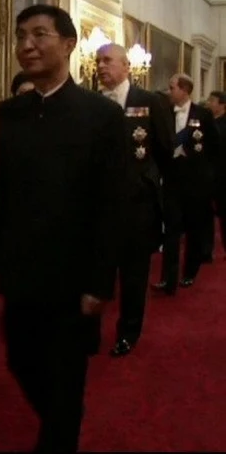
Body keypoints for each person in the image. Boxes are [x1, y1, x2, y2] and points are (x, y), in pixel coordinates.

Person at [0, 5, 126, 453]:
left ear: (67, 44)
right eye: (21, 35)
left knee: (64, 380)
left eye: (40, 34)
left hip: (73, 275)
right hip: (22, 269)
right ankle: (64, 419)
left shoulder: (100, 115)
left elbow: (111, 204)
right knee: (20, 360)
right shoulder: (12, 112)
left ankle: (60, 432)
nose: (27, 45)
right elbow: (0, 187)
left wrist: (100, 282)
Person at [95, 43, 173, 357]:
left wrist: (155, 190)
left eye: (108, 60)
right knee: (98, 271)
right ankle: (88, 332)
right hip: (101, 206)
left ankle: (128, 332)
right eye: (98, 61)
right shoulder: (94, 104)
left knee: (133, 275)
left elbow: (166, 151)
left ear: (127, 66)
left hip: (137, 206)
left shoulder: (148, 101)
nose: (101, 66)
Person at [152, 74, 219, 294]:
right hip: (171, 181)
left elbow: (213, 147)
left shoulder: (203, 114)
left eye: (172, 88)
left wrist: (209, 178)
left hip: (195, 183)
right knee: (171, 231)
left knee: (193, 229)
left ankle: (190, 272)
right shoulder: (164, 113)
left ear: (184, 90)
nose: (169, 91)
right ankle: (168, 279)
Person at [207, 90, 226, 254]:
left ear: (222, 105)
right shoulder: (208, 122)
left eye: (212, 100)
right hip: (209, 175)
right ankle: (207, 249)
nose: (208, 103)